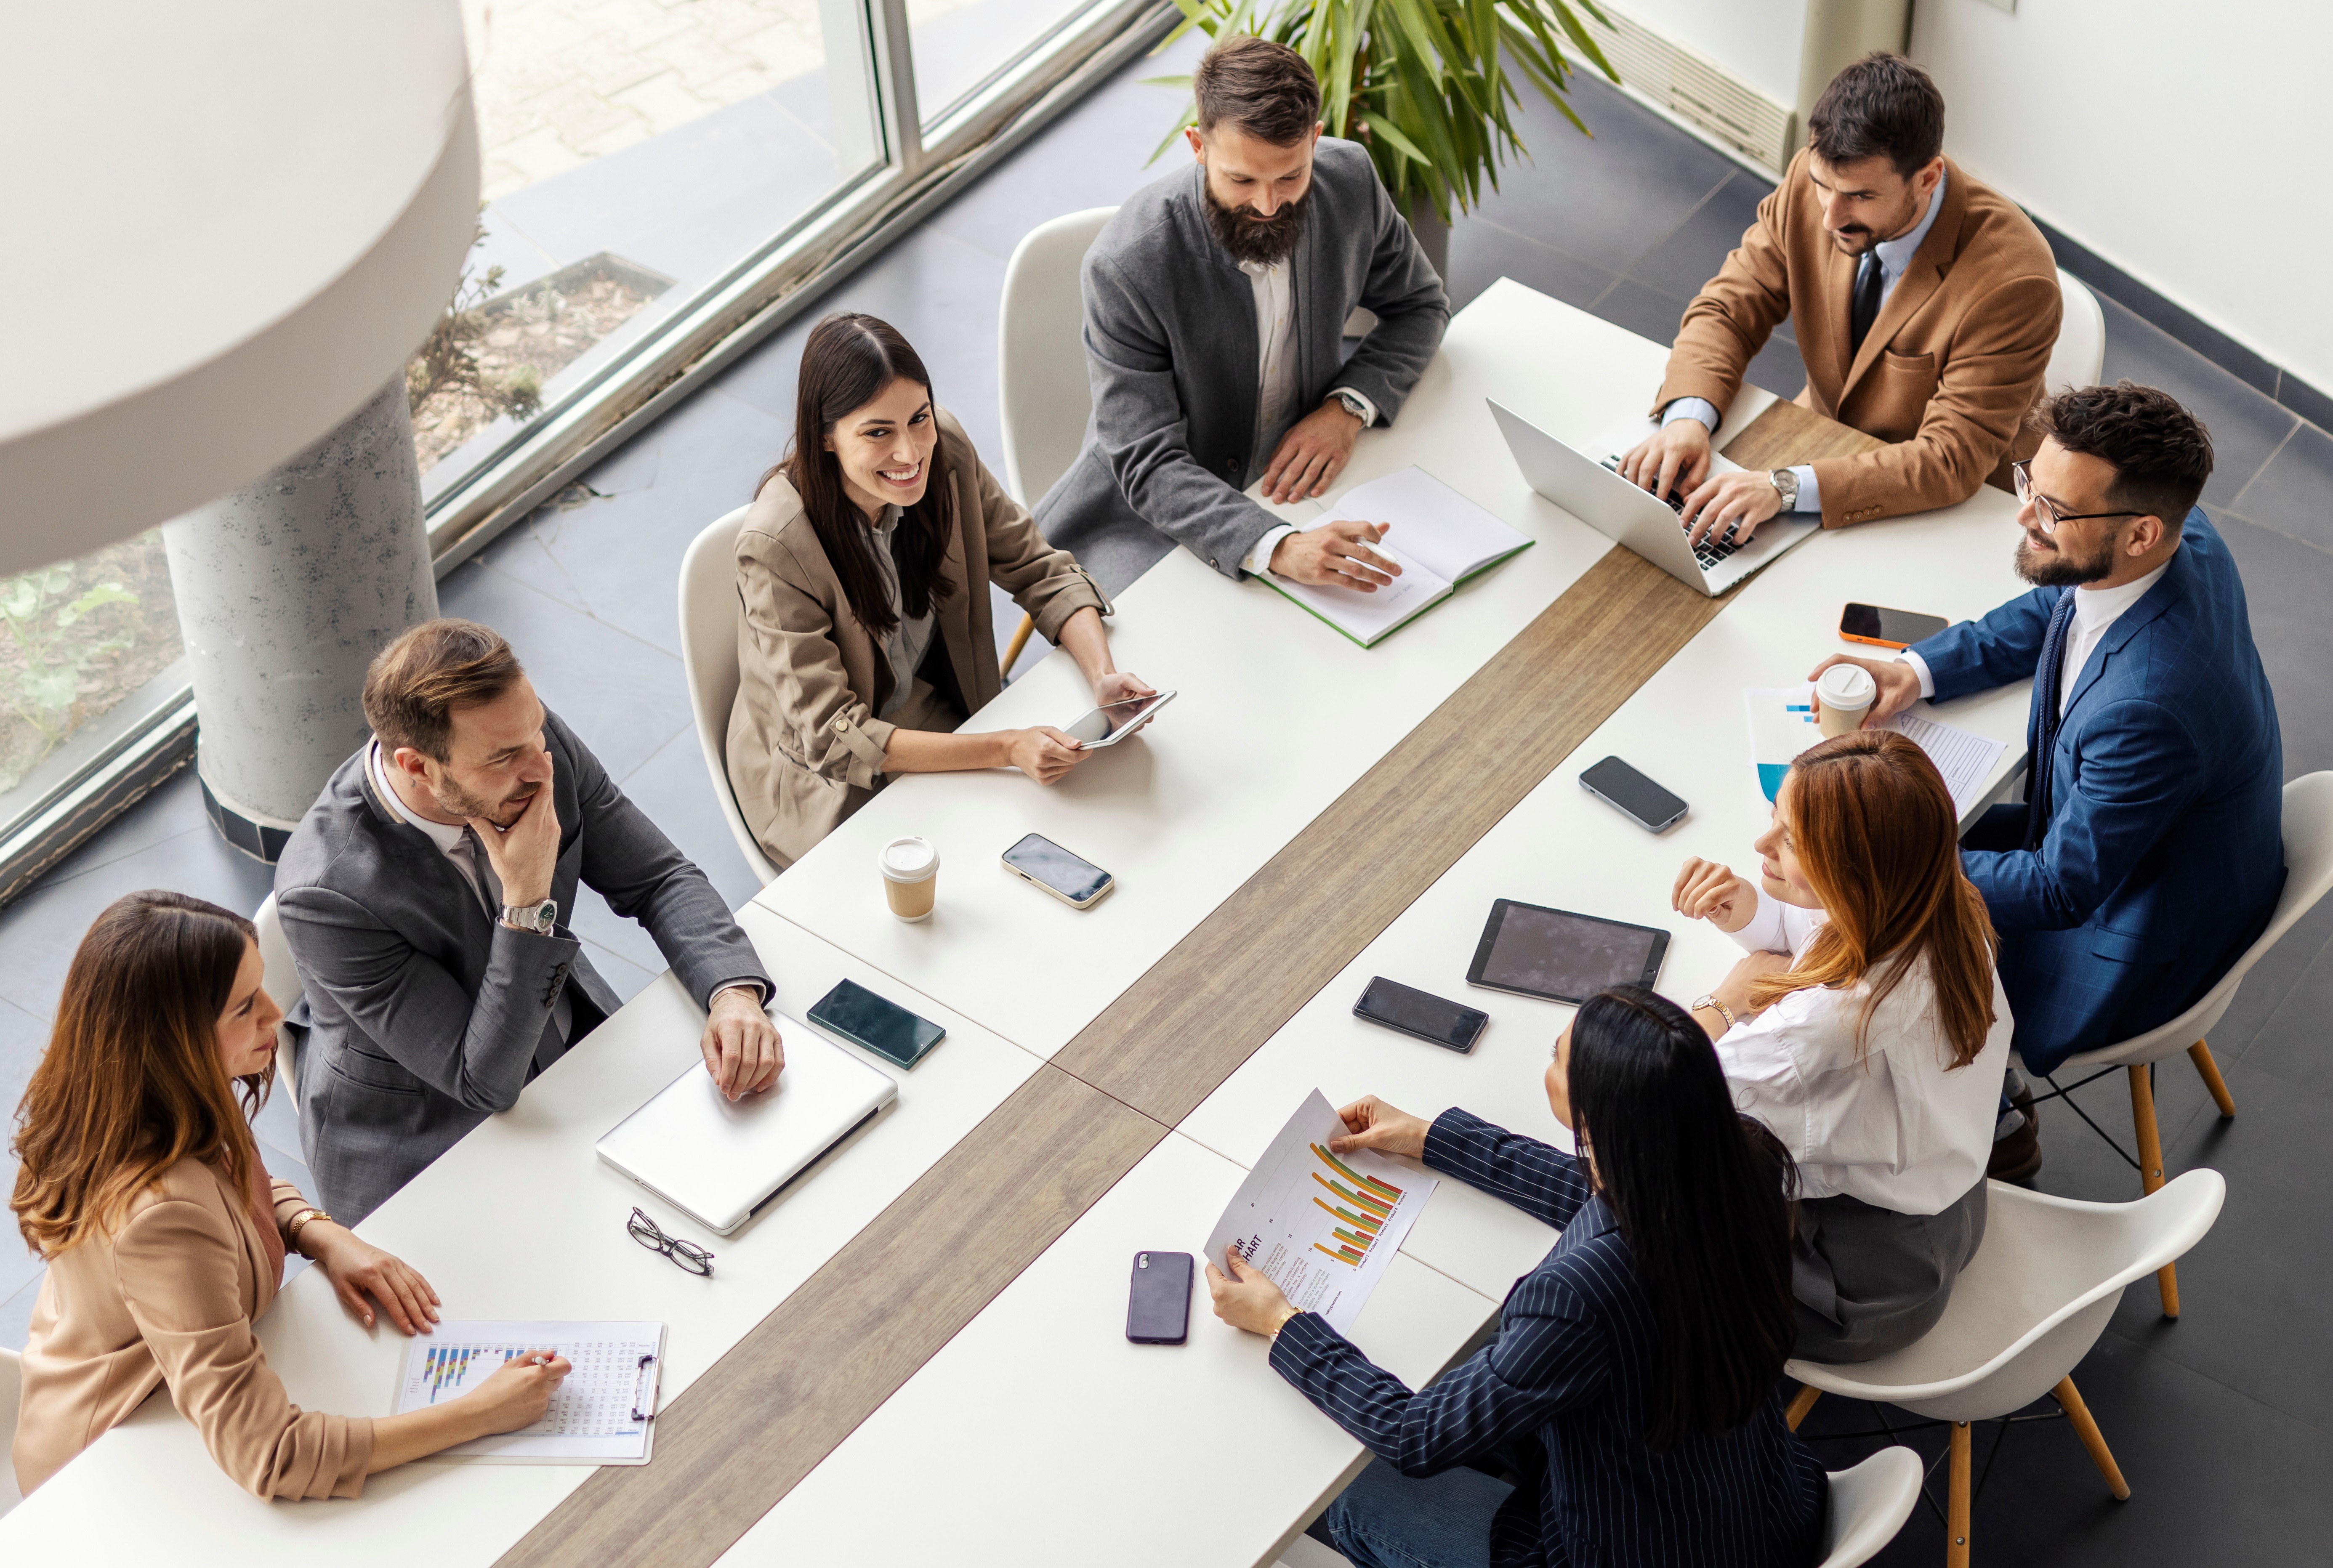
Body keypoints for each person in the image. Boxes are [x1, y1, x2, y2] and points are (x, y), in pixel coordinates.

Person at [1809, 382, 2283, 1178]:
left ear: (2139, 532)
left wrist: (1871, 869)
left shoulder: (2149, 706)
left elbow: (2063, 890)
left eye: (2052, 510)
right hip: (2156, 849)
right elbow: (2056, 602)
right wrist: (1916, 670)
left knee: (1871, 940)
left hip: (2133, 935)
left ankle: (1991, 1117)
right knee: (1896, 832)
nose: (2023, 515)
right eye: (2029, 481)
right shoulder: (2173, 536)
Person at [1207, 986, 1827, 1568]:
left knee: (1339, 1485)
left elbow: (1413, 1435)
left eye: (1557, 1058)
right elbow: (1585, 1195)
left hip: (1639, 1551)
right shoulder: (1742, 1168)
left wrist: (1282, 1324)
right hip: (1763, 1508)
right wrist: (1429, 1137)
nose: (1548, 1064)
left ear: (1592, 1117)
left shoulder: (1579, 1297)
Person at [9, 892, 572, 1499]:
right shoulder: (160, 1213)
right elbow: (275, 1454)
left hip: (168, 1402)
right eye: (246, 1007)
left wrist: (317, 1230)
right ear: (175, 1037)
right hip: (112, 1471)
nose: (277, 1014)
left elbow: (231, 1194)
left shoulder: (154, 1095)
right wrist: (481, 1411)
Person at [275, 619, 780, 1225]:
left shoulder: (527, 746)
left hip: (560, 1035)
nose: (538, 768)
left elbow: (658, 878)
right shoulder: (326, 892)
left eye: (535, 732)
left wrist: (732, 994)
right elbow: (480, 1081)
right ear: (417, 766)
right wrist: (525, 901)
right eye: (504, 756)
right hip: (427, 1137)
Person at [728, 313, 1151, 869]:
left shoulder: (943, 449)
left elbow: (1038, 568)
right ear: (825, 436)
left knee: (1101, 827)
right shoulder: (776, 546)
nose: (909, 453)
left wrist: (1102, 675)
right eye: (877, 432)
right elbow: (836, 737)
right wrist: (1004, 746)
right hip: (831, 787)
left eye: (918, 418)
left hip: (935, 714)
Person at [1037, 35, 1450, 595]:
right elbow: (1147, 460)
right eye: (1241, 180)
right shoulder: (1127, 266)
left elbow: (1419, 306)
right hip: (1152, 516)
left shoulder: (1349, 180)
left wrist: (1345, 409)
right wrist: (1277, 545)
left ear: (1315, 141)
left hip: (1306, 478)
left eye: (1289, 176)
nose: (1266, 205)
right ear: (1197, 147)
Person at [1620, 53, 2060, 548]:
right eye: (1821, 185)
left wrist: (1784, 488)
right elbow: (1728, 308)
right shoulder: (1816, 187)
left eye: (1859, 197)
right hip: (1822, 448)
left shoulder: (2013, 282)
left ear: (1927, 178)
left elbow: (1948, 460)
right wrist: (1686, 420)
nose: (1830, 216)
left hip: (1954, 508)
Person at [1673, 730, 2009, 1361]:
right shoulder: (1941, 906)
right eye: (1773, 818)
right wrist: (1748, 912)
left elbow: (1659, 1095)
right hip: (1952, 1209)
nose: (1758, 846)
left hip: (1859, 1291)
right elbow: (1810, 930)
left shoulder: (1821, 1029)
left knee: (1642, 1224)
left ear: (1853, 868)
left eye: (1790, 842)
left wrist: (1717, 1006)